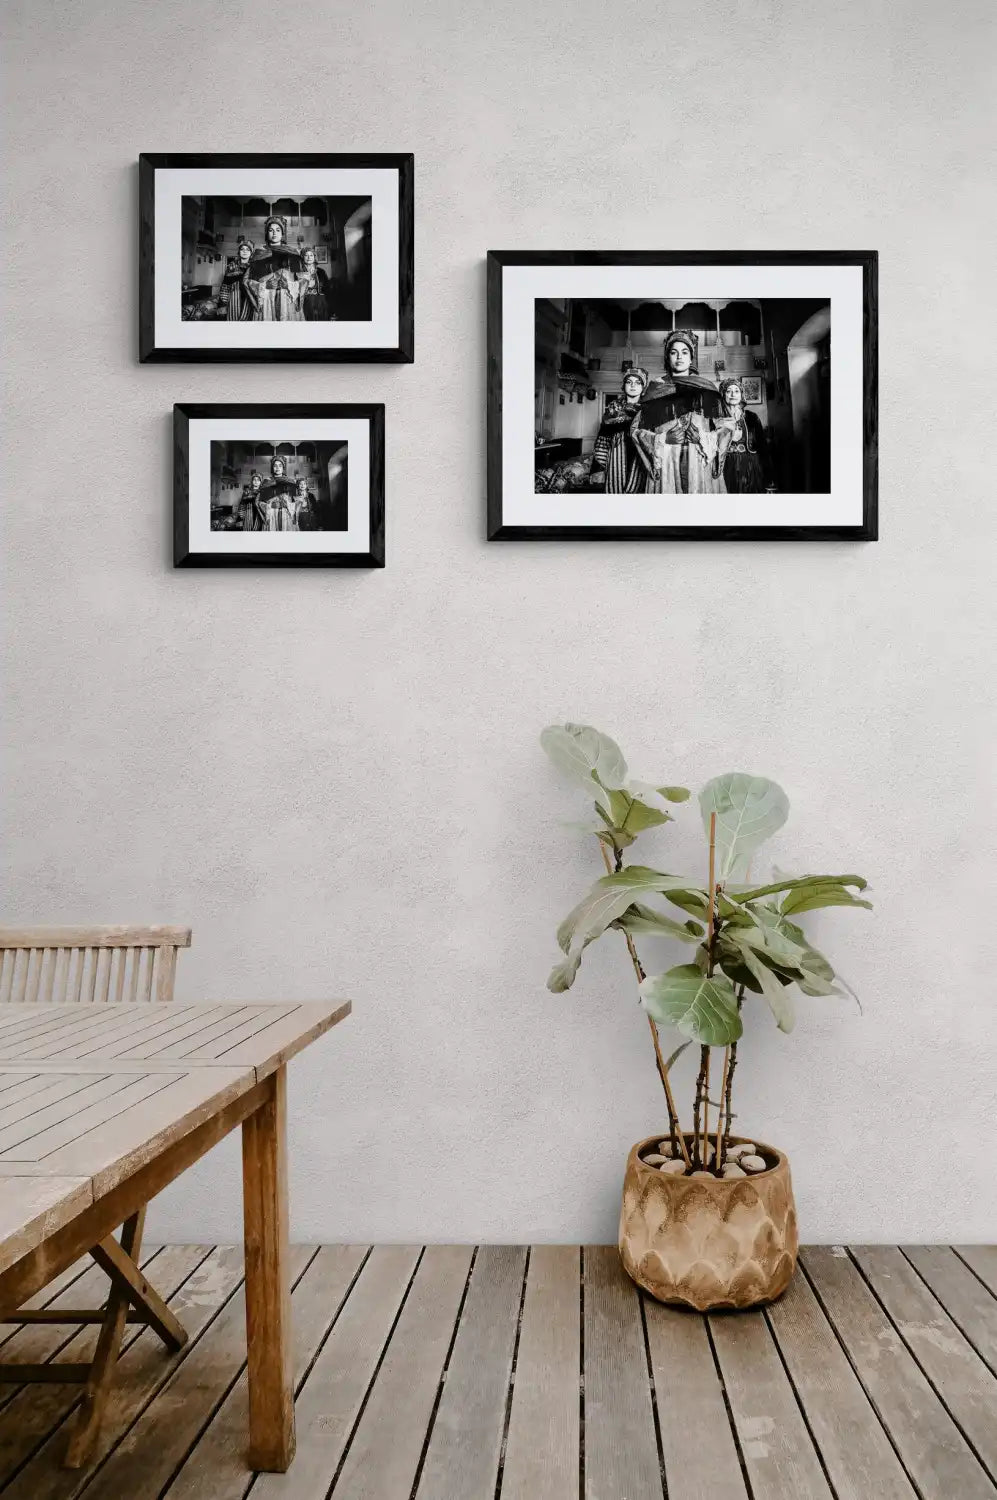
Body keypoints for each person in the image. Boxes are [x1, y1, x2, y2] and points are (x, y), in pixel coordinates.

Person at [635, 330, 726, 495]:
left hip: (698, 462)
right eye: (673, 352)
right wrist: (663, 439)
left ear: (691, 358)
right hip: (666, 462)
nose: (679, 357)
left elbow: (726, 427)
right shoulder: (655, 389)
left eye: (684, 352)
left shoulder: (707, 389)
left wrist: (704, 439)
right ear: (667, 357)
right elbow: (636, 431)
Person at [590, 368, 649, 493]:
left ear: (643, 387)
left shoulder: (649, 410)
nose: (633, 385)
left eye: (638, 382)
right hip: (616, 462)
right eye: (629, 382)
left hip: (641, 462)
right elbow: (602, 440)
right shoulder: (612, 409)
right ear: (624, 385)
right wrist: (598, 468)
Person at [716, 378, 773, 493]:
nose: (733, 394)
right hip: (726, 467)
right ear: (723, 394)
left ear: (741, 395)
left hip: (750, 467)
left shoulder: (752, 417)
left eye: (736, 391)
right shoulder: (717, 419)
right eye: (728, 391)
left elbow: (763, 447)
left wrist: (769, 476)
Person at [250, 217, 302, 322]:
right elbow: (250, 281)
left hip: (287, 300)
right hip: (265, 301)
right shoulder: (258, 255)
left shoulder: (292, 254)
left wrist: (289, 285)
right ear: (267, 233)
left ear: (282, 234)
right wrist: (265, 285)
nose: (274, 233)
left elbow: (302, 279)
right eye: (271, 230)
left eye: (278, 230)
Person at [219, 240, 259, 321]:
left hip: (249, 301)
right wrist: (223, 304)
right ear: (239, 252)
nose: (245, 251)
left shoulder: (254, 268)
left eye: (248, 249)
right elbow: (225, 287)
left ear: (251, 253)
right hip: (234, 300)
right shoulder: (231, 267)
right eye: (242, 249)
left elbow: (258, 288)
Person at [258, 456, 298, 530]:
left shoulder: (290, 482)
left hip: (286, 515)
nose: (277, 468)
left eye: (280, 465)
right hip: (271, 515)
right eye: (275, 466)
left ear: (283, 468)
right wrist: (270, 505)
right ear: (272, 468)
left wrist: (288, 504)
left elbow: (295, 501)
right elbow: (260, 502)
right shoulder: (266, 482)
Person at [297, 247, 333, 322]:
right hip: (304, 303)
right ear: (302, 257)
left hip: (320, 303)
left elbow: (327, 290)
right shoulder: (298, 272)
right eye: (306, 255)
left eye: (311, 255)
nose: (309, 257)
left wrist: (331, 307)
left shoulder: (321, 272)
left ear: (314, 257)